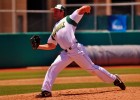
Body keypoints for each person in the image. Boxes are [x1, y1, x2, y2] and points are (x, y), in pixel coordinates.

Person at [36, 4, 126, 97]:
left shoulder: (69, 19)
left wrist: (86, 8)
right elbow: (51, 45)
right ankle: (46, 91)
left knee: (92, 68)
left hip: (75, 49)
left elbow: (81, 10)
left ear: (62, 12)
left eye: (56, 10)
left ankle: (114, 79)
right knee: (53, 68)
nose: (54, 12)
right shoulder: (55, 27)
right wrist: (38, 46)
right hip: (65, 53)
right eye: (54, 10)